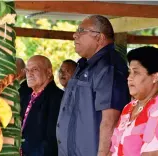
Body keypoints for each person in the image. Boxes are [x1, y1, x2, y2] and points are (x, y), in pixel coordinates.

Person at [56, 15, 130, 156]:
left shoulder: (108, 67)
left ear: (99, 38)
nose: (74, 35)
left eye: (81, 31)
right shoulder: (84, 64)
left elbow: (110, 120)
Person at [110, 46, 158, 156]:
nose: (129, 78)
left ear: (155, 77)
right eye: (129, 72)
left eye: (136, 73)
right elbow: (114, 149)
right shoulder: (129, 107)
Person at [20, 55, 64, 156]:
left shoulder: (58, 98)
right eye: (27, 70)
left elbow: (52, 140)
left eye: (34, 69)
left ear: (48, 72)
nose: (29, 74)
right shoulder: (27, 96)